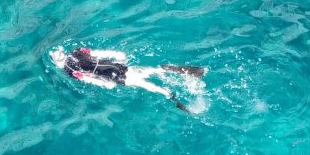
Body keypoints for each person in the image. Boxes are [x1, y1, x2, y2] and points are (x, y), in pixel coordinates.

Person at [51, 46, 209, 113]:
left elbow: (88, 79)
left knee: (148, 86)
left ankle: (169, 95)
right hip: (118, 66)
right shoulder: (76, 51)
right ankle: (170, 70)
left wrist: (105, 84)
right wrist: (116, 54)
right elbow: (98, 54)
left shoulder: (69, 70)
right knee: (150, 71)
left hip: (115, 77)